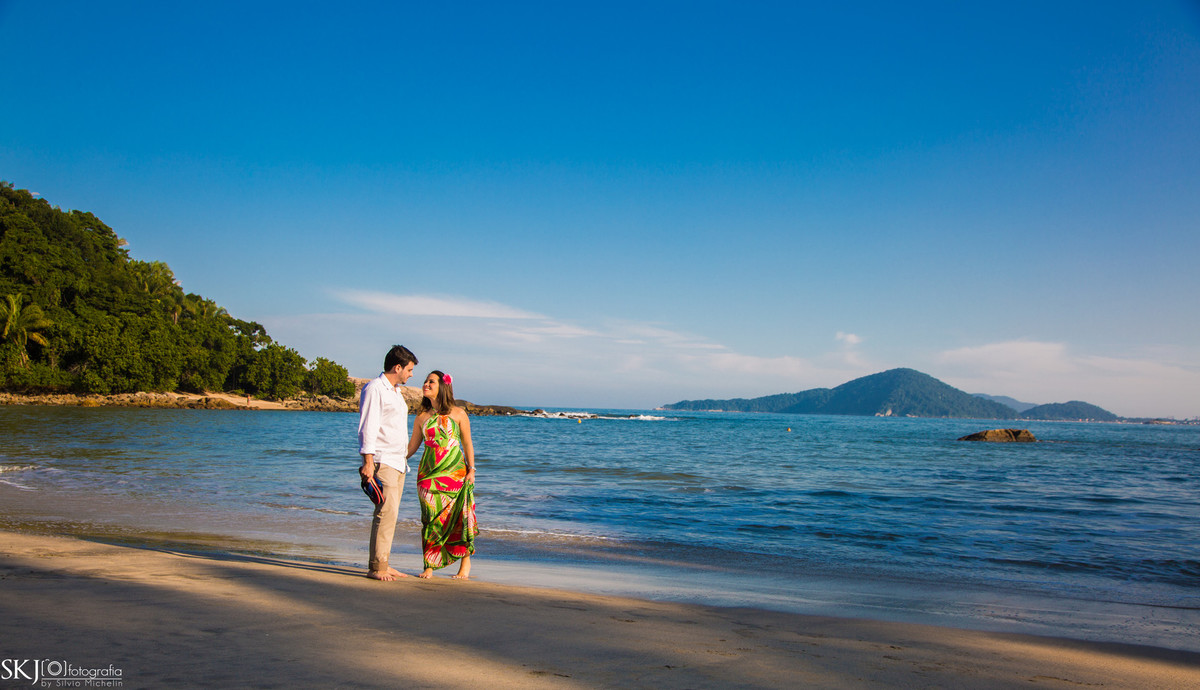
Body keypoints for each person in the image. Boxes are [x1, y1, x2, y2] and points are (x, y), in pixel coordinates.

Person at [406, 370, 477, 579]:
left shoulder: (459, 414)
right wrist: (392, 459)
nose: (426, 384)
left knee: (459, 518)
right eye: (425, 381)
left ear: (443, 387)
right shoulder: (421, 417)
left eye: (431, 382)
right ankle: (429, 564)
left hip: (455, 475)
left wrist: (472, 469)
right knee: (430, 519)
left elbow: (467, 444)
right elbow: (412, 447)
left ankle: (465, 563)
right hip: (428, 476)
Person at [358, 344, 418, 581]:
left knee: (391, 515)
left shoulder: (395, 391)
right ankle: (376, 567)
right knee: (384, 513)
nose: (411, 374)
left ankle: (384, 562)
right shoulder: (375, 388)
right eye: (409, 370)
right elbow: (368, 426)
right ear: (397, 367)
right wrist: (368, 461)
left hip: (398, 462)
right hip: (383, 460)